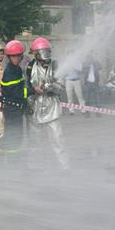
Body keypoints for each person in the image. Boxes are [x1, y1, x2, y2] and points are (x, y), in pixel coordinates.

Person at [26, 37, 70, 170]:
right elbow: (27, 84)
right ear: (35, 54)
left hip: (52, 107)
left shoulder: (55, 65)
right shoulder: (30, 67)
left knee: (58, 139)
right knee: (34, 141)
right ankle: (35, 167)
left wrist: (47, 88)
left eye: (47, 52)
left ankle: (65, 166)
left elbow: (60, 86)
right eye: (41, 52)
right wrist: (33, 91)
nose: (45, 56)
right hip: (35, 107)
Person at [0, 40, 32, 159]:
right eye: (13, 56)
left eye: (18, 55)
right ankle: (13, 162)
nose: (16, 58)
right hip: (12, 109)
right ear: (9, 56)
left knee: (9, 135)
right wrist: (33, 90)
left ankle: (0, 157)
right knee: (15, 137)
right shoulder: (10, 71)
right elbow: (17, 92)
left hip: (14, 108)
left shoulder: (15, 69)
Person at [83, 51, 103, 116]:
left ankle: (98, 113)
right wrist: (88, 66)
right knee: (87, 99)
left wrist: (94, 64)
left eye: (91, 58)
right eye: (88, 59)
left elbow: (100, 67)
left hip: (95, 83)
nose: (90, 60)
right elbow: (83, 69)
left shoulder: (96, 63)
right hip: (88, 83)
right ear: (87, 59)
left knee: (97, 99)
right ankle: (87, 113)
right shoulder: (85, 64)